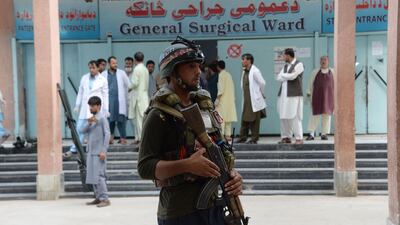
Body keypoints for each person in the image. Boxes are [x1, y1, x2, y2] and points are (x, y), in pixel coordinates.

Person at [138, 37, 243, 225]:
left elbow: (219, 148)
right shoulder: (159, 114)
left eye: (199, 66)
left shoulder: (203, 107)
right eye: (191, 67)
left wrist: (232, 174)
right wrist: (187, 165)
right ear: (173, 72)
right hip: (179, 213)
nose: (198, 72)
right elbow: (144, 167)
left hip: (213, 208)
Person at [64, 60, 109, 158]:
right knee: (79, 129)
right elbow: (80, 92)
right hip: (85, 108)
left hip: (96, 108)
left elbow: (105, 95)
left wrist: (106, 109)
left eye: (93, 68)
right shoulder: (84, 78)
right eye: (90, 68)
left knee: (96, 130)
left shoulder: (103, 79)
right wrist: (77, 105)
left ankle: (96, 150)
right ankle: (74, 149)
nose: (91, 70)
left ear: (98, 68)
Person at [81, 96, 111, 208]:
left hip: (99, 152)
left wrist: (104, 151)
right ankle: (98, 198)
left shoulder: (102, 118)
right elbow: (81, 130)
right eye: (89, 105)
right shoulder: (92, 119)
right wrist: (88, 123)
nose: (90, 107)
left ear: (98, 106)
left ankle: (105, 198)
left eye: (92, 106)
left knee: (99, 176)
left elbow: (107, 134)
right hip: (90, 151)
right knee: (92, 176)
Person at [235, 53, 266, 144]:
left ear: (249, 61)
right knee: (244, 118)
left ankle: (254, 138)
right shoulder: (245, 71)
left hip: (254, 99)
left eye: (243, 59)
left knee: (255, 120)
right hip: (247, 99)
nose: (242, 61)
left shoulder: (255, 71)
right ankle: (242, 137)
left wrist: (261, 93)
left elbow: (262, 83)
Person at [276, 48, 305, 144]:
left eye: (284, 55)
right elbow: (278, 78)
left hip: (294, 95)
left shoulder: (299, 64)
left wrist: (284, 75)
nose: (283, 57)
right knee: (283, 116)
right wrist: (286, 75)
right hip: (283, 96)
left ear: (288, 55)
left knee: (294, 116)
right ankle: (286, 137)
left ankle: (299, 138)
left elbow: (294, 76)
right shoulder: (285, 66)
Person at [102, 56, 130, 145]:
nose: (115, 65)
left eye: (116, 63)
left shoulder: (121, 73)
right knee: (110, 120)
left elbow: (129, 85)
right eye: (113, 63)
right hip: (109, 101)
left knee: (121, 120)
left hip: (119, 100)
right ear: (109, 64)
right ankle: (110, 138)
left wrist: (127, 96)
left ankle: (123, 138)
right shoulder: (103, 74)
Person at [306, 56, 335, 141]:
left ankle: (324, 134)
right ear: (320, 61)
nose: (323, 61)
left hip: (329, 97)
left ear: (328, 61)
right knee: (314, 115)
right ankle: (311, 134)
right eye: (321, 60)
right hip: (316, 96)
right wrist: (308, 93)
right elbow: (310, 84)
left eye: (325, 60)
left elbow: (336, 84)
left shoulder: (333, 72)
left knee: (327, 115)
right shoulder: (315, 72)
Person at [128, 52, 149, 144]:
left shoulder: (137, 69)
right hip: (144, 96)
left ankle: (141, 139)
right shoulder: (145, 69)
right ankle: (138, 138)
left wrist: (128, 87)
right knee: (142, 119)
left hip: (138, 98)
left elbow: (134, 83)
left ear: (135, 60)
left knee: (139, 120)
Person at [215, 60, 237, 141]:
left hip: (223, 100)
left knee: (222, 118)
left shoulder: (221, 75)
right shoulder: (229, 75)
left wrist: (217, 99)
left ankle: (222, 135)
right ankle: (228, 135)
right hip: (230, 100)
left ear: (218, 67)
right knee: (228, 119)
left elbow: (221, 89)